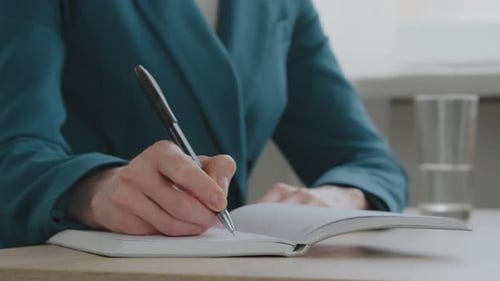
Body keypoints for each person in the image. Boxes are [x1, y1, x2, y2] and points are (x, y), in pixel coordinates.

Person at [0, 0, 408, 248]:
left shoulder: (281, 7)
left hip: (228, 267)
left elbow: (369, 161)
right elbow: (11, 149)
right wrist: (94, 190)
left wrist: (340, 198)